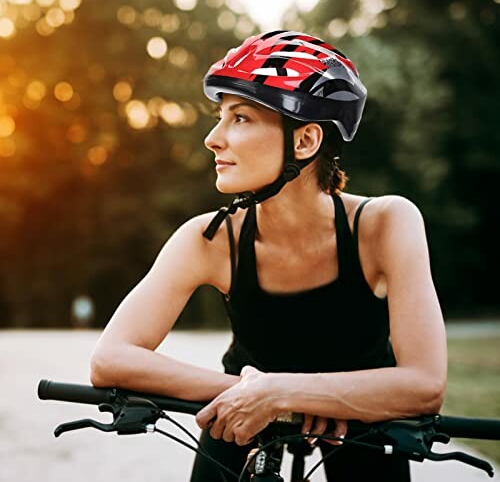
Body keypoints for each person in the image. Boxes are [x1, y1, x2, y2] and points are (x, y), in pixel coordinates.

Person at [89, 30, 447, 481]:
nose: (213, 139)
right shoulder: (209, 237)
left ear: (304, 142)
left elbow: (425, 384)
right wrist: (252, 394)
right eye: (220, 117)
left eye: (240, 118)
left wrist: (284, 392)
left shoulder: (385, 224)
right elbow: (111, 358)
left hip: (360, 424)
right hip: (239, 417)